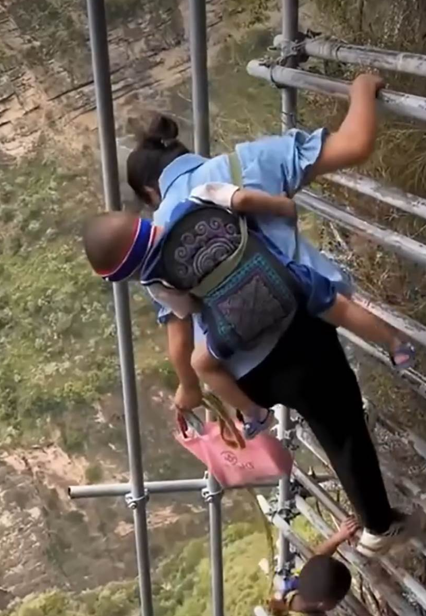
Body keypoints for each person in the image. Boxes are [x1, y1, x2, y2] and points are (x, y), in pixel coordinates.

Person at [124, 72, 416, 557]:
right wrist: (362, 89)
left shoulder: (156, 241)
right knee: (341, 429)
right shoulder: (245, 164)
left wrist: (189, 386)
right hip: (300, 333)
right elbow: (355, 145)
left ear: (150, 193)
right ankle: (377, 526)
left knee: (300, 411)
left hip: (241, 367)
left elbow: (179, 334)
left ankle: (258, 418)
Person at [83, 182, 414, 442]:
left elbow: (189, 309)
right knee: (336, 306)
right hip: (284, 283)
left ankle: (254, 413)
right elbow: (243, 200)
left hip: (237, 323)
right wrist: (281, 205)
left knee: (202, 364)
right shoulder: (198, 198)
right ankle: (396, 344)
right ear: (138, 221)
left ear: (130, 272)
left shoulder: (156, 282)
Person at [268, 518, 358, 616]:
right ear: (324, 603)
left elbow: (317, 557)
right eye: (338, 600)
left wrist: (339, 536)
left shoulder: (297, 585)